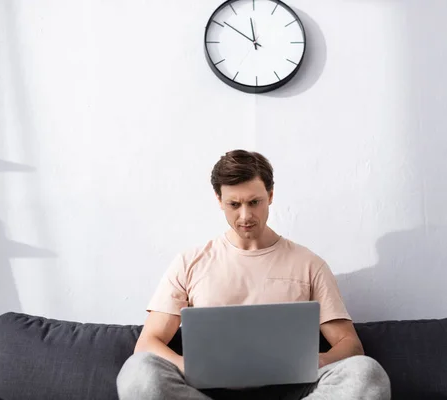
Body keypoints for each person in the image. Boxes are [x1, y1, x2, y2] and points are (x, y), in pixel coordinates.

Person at [117, 150, 391, 400]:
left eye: (254, 202)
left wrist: (316, 362)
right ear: (219, 201)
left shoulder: (309, 263)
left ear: (270, 195)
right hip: (206, 390)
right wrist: (186, 366)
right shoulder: (190, 262)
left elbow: (350, 345)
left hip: (294, 391)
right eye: (234, 204)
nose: (245, 215)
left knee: (366, 373)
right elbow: (147, 343)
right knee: (138, 373)